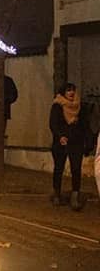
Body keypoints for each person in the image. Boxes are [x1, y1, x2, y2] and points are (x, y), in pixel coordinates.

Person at [49, 82, 86, 210]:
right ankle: (57, 194)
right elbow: (53, 123)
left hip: (76, 142)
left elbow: (84, 125)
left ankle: (75, 196)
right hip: (61, 143)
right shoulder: (57, 106)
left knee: (76, 169)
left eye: (73, 90)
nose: (71, 93)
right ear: (63, 92)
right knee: (59, 168)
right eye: (68, 90)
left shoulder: (79, 107)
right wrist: (60, 136)